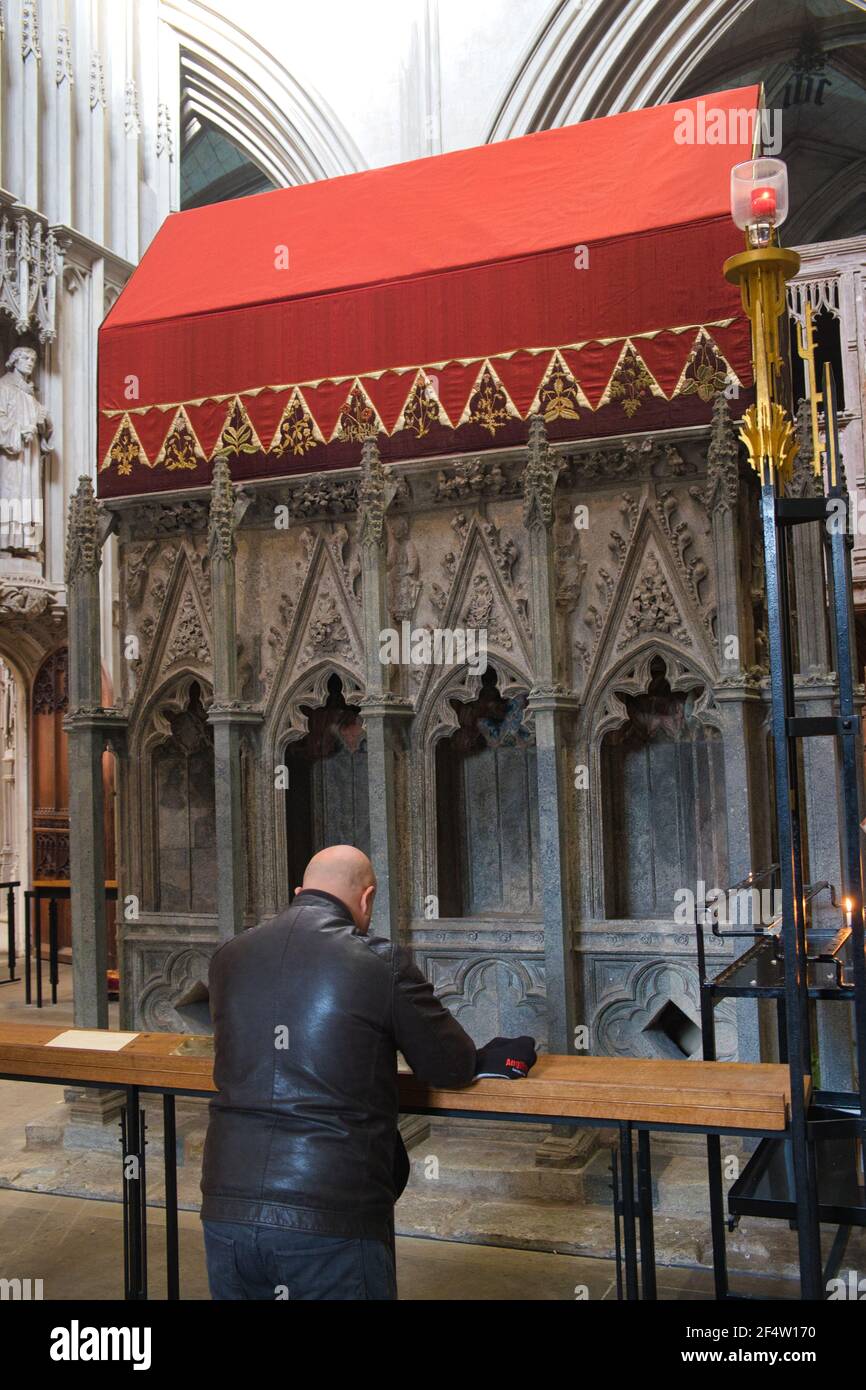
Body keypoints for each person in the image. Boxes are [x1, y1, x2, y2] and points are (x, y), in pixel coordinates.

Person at [200, 845, 477, 1300]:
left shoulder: (229, 956)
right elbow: (451, 1065)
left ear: (299, 892)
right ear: (367, 899)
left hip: (227, 1200)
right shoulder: (378, 960)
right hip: (331, 1208)